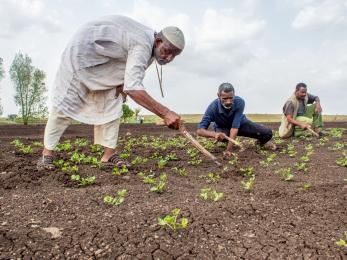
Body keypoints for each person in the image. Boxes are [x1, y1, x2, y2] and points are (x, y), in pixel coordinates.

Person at [37, 15, 185, 169]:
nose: (169, 58)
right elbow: (133, 87)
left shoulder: (152, 49)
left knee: (114, 98)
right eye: (168, 51)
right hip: (82, 54)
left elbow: (131, 79)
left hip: (106, 60)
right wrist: (166, 113)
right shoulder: (142, 44)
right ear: (158, 41)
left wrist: (122, 85)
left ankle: (108, 155)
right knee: (66, 103)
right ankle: (46, 154)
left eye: (174, 55)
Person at [197, 83, 275, 157]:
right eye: (225, 98)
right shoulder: (212, 108)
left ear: (234, 95)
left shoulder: (240, 102)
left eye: (231, 98)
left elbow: (234, 128)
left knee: (267, 133)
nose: (228, 102)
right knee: (223, 137)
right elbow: (200, 131)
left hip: (241, 124)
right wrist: (215, 134)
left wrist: (229, 150)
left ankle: (259, 144)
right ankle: (226, 140)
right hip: (224, 129)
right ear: (218, 95)